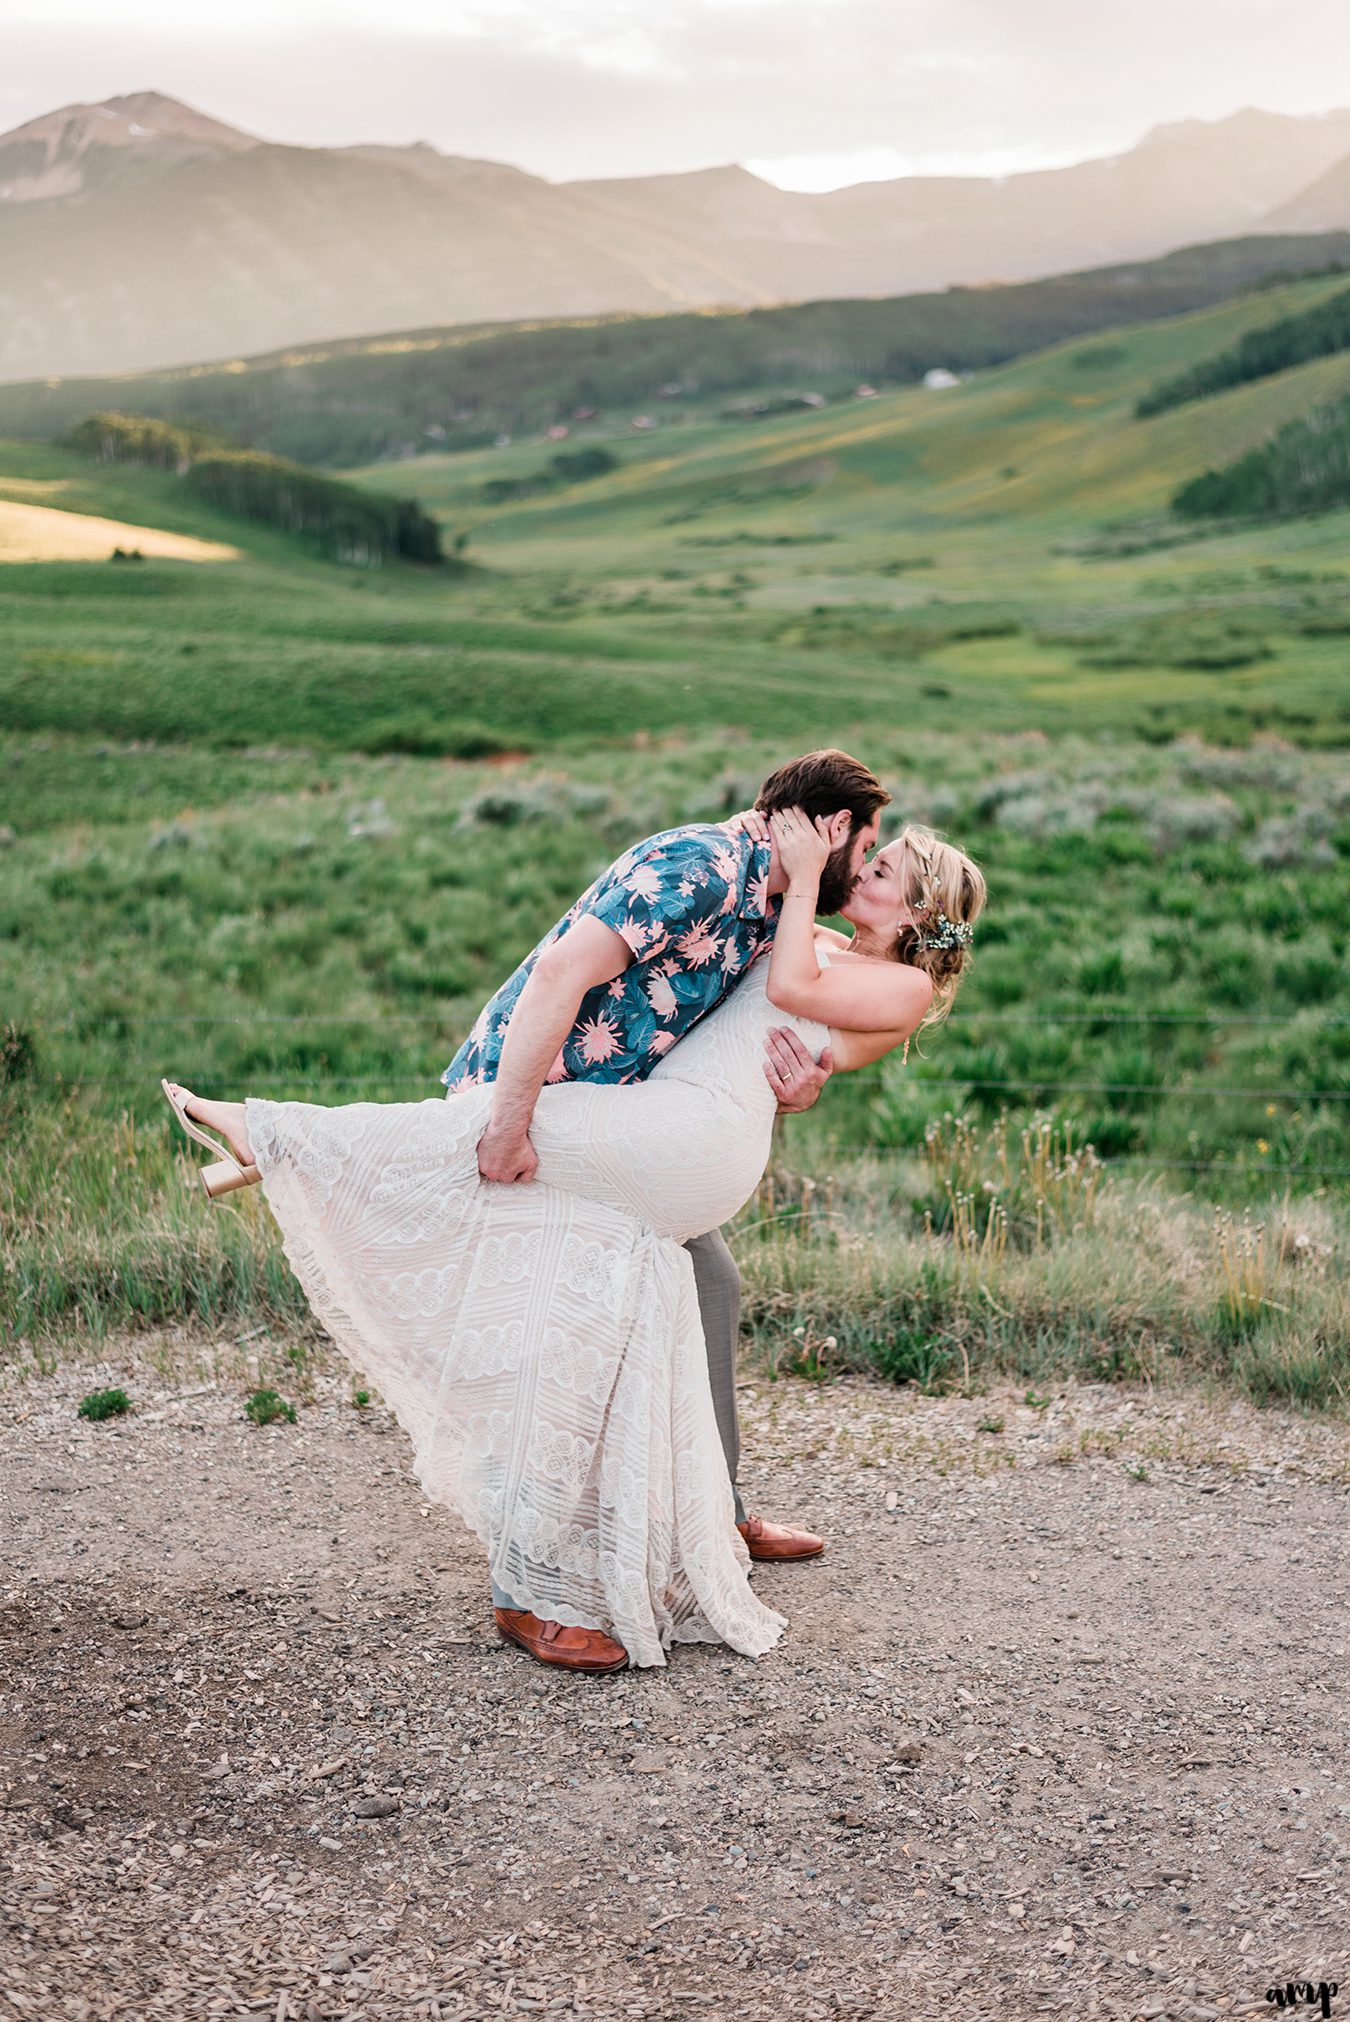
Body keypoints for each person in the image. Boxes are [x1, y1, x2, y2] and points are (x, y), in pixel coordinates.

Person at [162, 758, 985, 1671]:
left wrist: (806, 1080)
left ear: (914, 911)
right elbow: (706, 1000)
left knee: (588, 1299)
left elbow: (801, 1031)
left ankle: (274, 1137)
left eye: (882, 866)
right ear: (819, 827)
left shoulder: (815, 934)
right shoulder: (711, 875)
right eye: (863, 848)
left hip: (672, 1135)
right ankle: (651, 1538)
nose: (862, 867)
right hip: (624, 1115)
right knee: (671, 1293)